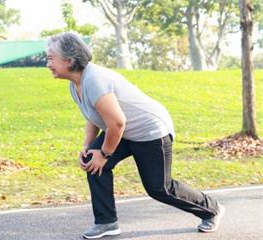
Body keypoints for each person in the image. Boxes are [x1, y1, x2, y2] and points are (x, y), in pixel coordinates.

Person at [46, 32, 225, 239]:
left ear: (69, 60)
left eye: (51, 58)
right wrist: (88, 147)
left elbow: (117, 122)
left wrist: (104, 154)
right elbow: (94, 116)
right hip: (122, 130)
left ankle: (212, 209)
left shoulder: (95, 80)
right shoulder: (75, 84)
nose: (47, 64)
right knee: (91, 161)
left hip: (150, 131)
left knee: (159, 188)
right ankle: (106, 222)